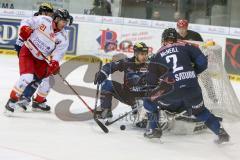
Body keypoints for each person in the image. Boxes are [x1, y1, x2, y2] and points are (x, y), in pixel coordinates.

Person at [143, 28, 229, 144]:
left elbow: (150, 80)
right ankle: (221, 132)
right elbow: (203, 62)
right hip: (192, 87)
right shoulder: (187, 46)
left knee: (148, 100)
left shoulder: (157, 54)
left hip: (171, 89)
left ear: (163, 40)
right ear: (176, 38)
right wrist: (192, 73)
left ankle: (153, 129)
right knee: (201, 111)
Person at [5, 9, 72, 113]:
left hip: (41, 60)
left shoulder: (63, 38)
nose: (65, 24)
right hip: (28, 52)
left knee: (50, 79)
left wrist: (54, 62)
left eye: (66, 22)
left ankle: (38, 102)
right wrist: (24, 28)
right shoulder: (43, 20)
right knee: (27, 77)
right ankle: (12, 101)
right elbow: (26, 21)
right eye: (63, 21)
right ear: (57, 19)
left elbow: (58, 53)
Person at [94, 42, 153, 119]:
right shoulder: (127, 62)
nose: (145, 56)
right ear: (135, 54)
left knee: (141, 122)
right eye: (142, 54)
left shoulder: (151, 64)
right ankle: (106, 111)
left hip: (142, 97)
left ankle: (141, 113)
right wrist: (102, 72)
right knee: (106, 84)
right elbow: (110, 66)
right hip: (126, 94)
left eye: (146, 54)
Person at [13, 2, 54, 112]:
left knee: (43, 77)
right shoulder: (36, 20)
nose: (51, 15)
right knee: (33, 76)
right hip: (29, 53)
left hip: (39, 56)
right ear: (44, 12)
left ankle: (33, 99)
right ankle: (23, 98)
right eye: (49, 12)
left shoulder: (49, 23)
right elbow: (21, 39)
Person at [177, 19, 218, 103]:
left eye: (183, 28)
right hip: (185, 64)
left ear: (187, 27)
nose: (181, 30)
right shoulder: (175, 36)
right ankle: (184, 102)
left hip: (197, 62)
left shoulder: (195, 35)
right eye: (179, 28)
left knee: (207, 80)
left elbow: (202, 47)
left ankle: (213, 99)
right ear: (177, 27)